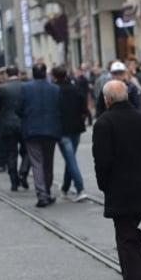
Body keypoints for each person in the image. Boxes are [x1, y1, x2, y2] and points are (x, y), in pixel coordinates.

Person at [93, 80, 141, 280]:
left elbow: (102, 161)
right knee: (130, 231)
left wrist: (105, 185)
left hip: (119, 189)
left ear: (106, 100)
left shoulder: (104, 123)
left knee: (125, 235)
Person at [17, 63, 62, 207]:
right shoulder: (55, 89)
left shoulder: (25, 88)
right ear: (45, 73)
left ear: (33, 73)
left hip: (32, 130)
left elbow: (18, 109)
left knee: (37, 162)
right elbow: (60, 108)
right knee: (48, 162)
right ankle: (47, 192)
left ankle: (42, 194)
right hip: (51, 130)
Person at [52, 65, 89, 201]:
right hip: (76, 128)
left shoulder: (54, 90)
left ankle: (80, 188)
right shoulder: (75, 88)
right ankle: (65, 188)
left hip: (62, 130)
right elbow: (84, 108)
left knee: (70, 159)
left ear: (54, 76)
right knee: (70, 157)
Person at [0, 66, 32, 191]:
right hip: (24, 123)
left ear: (7, 74)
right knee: (27, 150)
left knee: (11, 153)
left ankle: (14, 181)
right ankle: (24, 171)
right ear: (18, 74)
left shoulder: (2, 88)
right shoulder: (26, 86)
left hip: (7, 125)